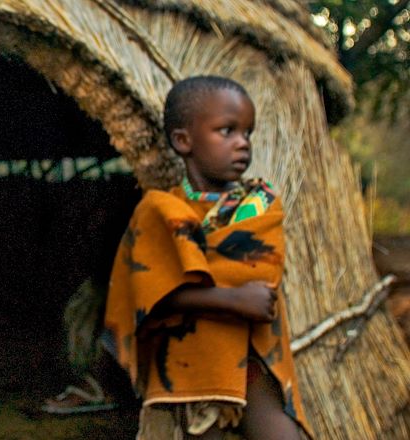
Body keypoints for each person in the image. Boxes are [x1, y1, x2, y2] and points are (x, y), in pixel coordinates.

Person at [101, 75, 314, 439]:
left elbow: (262, 287)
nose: (242, 144)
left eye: (247, 133)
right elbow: (150, 298)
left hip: (252, 361)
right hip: (187, 366)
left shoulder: (262, 206)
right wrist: (232, 298)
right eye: (227, 131)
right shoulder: (159, 212)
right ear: (184, 141)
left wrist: (194, 291)